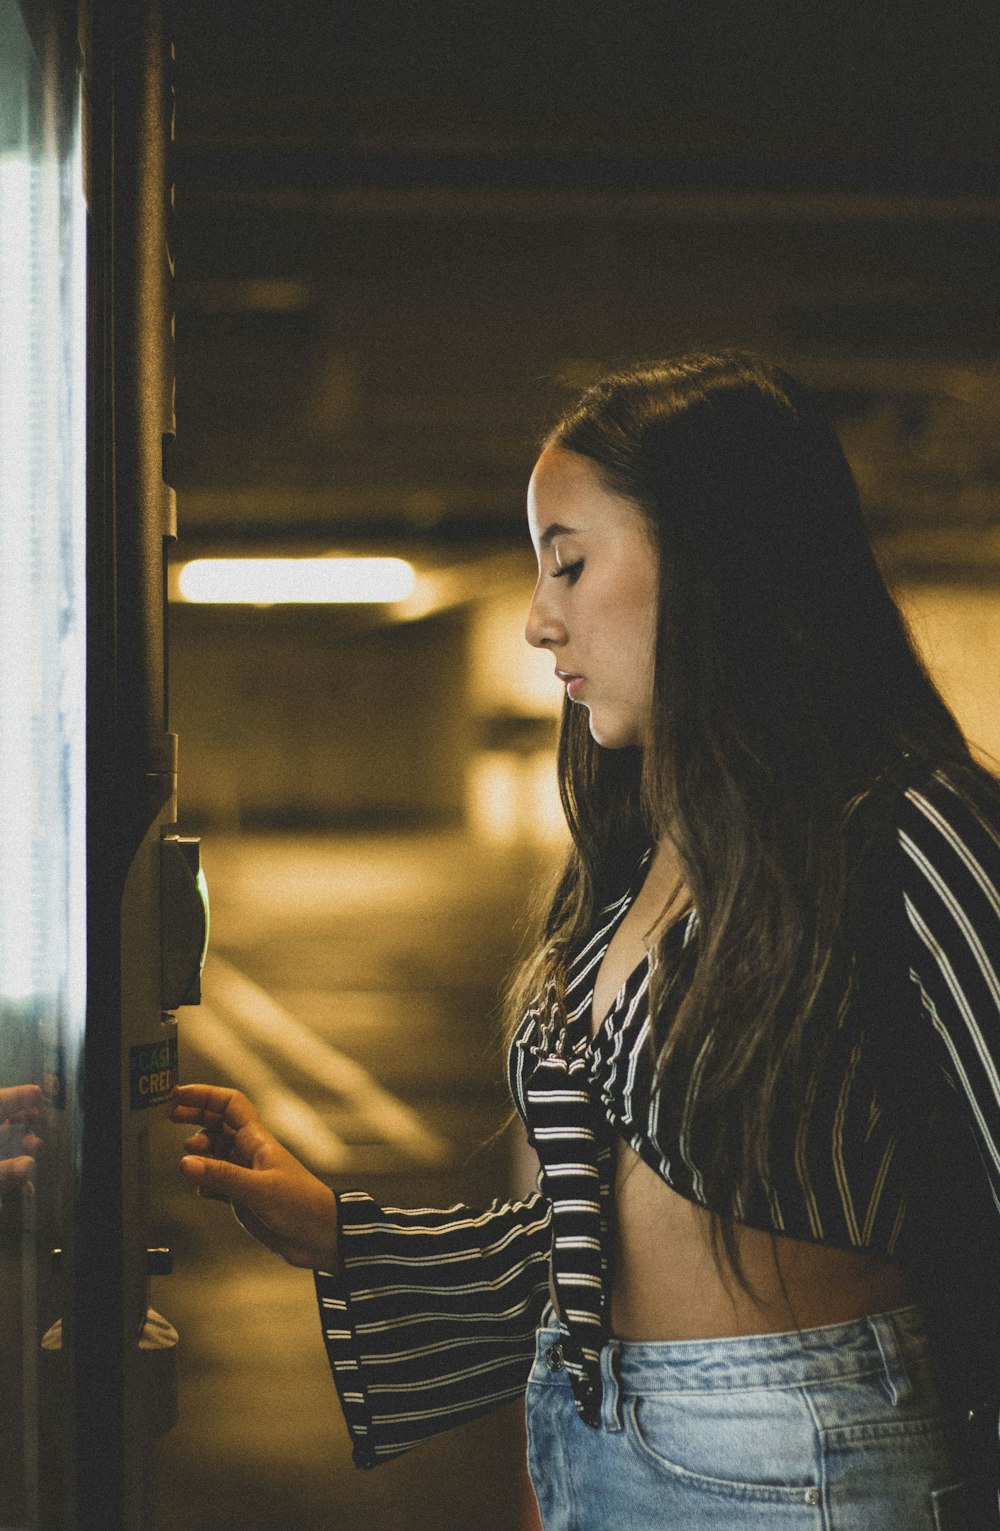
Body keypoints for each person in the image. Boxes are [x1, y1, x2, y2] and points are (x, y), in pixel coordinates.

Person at [171, 351, 1000, 1530]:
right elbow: (600, 1233)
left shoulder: (906, 830)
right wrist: (340, 1230)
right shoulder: (639, 857)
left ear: (719, 563)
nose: (533, 617)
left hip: (802, 1460)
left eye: (568, 561)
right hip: (597, 1439)